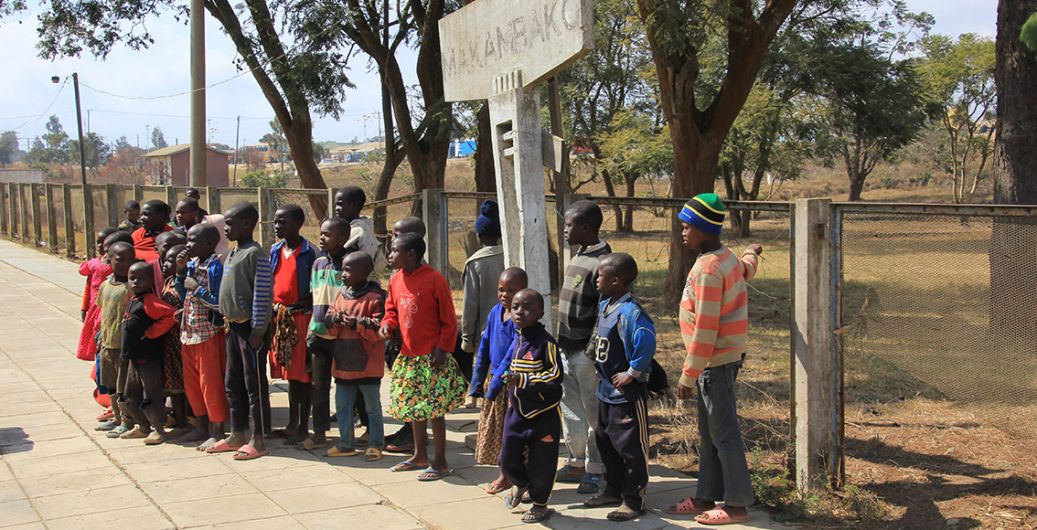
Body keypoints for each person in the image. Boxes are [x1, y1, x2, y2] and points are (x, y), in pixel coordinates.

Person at [665, 193, 762, 526]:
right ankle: (706, 494)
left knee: (723, 434)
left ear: (704, 229)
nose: (682, 232)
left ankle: (736, 505)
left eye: (687, 227)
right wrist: (752, 253)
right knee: (709, 434)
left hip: (713, 363)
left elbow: (706, 328)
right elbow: (747, 270)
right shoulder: (726, 258)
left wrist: (687, 376)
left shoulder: (708, 269)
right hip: (717, 362)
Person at [380, 232, 465, 481]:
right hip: (409, 356)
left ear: (411, 254)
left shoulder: (435, 279)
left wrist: (443, 348)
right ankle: (419, 455)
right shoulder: (395, 280)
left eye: (394, 250)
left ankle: (440, 462)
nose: (390, 255)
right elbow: (391, 309)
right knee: (415, 407)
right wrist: (387, 323)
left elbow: (449, 320)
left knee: (435, 410)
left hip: (432, 356)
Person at [583, 253, 656, 521]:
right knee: (606, 443)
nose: (596, 278)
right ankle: (612, 490)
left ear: (615, 280)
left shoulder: (632, 312)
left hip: (625, 394)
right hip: (604, 391)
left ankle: (634, 500)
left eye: (600, 275)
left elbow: (646, 342)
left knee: (630, 449)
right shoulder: (606, 304)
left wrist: (632, 373)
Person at [556, 200, 611, 493]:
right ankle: (576, 461)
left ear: (587, 228)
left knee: (593, 413)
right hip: (565, 349)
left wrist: (590, 351)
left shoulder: (603, 263)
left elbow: (604, 314)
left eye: (569, 225)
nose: (565, 230)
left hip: (586, 355)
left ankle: (595, 468)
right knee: (571, 409)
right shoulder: (577, 256)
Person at [499, 288, 563, 524]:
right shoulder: (518, 337)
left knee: (542, 462)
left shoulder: (546, 343)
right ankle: (520, 481)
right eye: (515, 307)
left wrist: (524, 380)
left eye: (527, 308)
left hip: (543, 413)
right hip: (517, 410)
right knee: (507, 456)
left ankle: (540, 503)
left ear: (540, 312)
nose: (519, 312)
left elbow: (555, 376)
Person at [216, 203, 273, 460]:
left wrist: (259, 329)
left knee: (254, 385)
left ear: (247, 225)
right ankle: (237, 432)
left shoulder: (255, 254)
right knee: (233, 382)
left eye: (230, 224)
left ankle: (257, 439)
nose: (225, 229)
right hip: (233, 327)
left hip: (251, 329)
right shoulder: (232, 253)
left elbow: (262, 294)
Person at [324, 252, 386, 461]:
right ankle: (345, 443)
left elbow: (379, 329)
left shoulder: (375, 298)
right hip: (343, 364)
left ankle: (376, 443)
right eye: (343, 269)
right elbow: (329, 317)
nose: (343, 274)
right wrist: (335, 319)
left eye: (348, 270)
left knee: (372, 408)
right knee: (342, 406)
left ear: (364, 273)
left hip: (367, 366)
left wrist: (355, 322)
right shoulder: (342, 294)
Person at [470, 267, 525, 494]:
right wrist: (476, 382)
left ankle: (508, 476)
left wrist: (496, 384)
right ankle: (505, 473)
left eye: (511, 290)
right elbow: (484, 348)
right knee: (497, 433)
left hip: (509, 384)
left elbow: (511, 355)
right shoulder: (495, 312)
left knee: (510, 434)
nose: (505, 294)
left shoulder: (519, 319)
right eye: (501, 289)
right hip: (493, 382)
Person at [175, 224, 229, 451]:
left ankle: (217, 431)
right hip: (189, 332)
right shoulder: (192, 264)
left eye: (193, 241)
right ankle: (201, 425)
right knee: (193, 383)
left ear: (208, 244)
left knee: (210, 383)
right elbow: (182, 294)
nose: (188, 245)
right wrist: (179, 273)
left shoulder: (215, 267)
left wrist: (197, 288)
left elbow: (219, 302)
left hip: (208, 333)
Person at [268, 205, 317, 445]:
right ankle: (291, 422)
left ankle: (302, 427)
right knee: (289, 374)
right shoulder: (275, 250)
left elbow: (315, 288)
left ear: (297, 223)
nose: (277, 226)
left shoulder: (310, 253)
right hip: (281, 319)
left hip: (301, 318)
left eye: (282, 222)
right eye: (275, 222)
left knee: (302, 376)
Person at [305, 217, 352, 451]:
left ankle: (349, 433)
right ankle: (320, 432)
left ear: (343, 239)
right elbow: (314, 296)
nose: (321, 238)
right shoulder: (318, 263)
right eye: (321, 233)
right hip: (318, 333)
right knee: (319, 385)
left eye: (327, 234)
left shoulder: (350, 264)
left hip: (343, 337)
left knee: (346, 385)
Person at [381, 216, 426, 453]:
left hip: (418, 348)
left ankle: (414, 438)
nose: (391, 240)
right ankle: (408, 430)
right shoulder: (397, 273)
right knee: (404, 391)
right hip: (398, 342)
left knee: (417, 394)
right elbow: (391, 306)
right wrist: (388, 323)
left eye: (397, 235)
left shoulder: (426, 275)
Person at [121, 260, 176, 445]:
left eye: (141, 278)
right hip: (134, 357)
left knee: (150, 393)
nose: (136, 282)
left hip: (147, 357)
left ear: (151, 280)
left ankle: (158, 429)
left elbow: (170, 314)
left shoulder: (150, 301)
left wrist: (153, 332)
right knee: (131, 393)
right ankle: (143, 426)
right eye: (132, 278)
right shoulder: (134, 299)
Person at [460, 200, 504, 407]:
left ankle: (478, 401)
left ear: (478, 237)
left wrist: (467, 337)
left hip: (485, 331)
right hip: (512, 326)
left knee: (483, 367)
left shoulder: (475, 262)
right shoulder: (512, 255)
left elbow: (470, 304)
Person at [94, 241, 136, 436]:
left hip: (123, 345)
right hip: (107, 343)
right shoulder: (105, 285)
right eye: (120, 259)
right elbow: (103, 311)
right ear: (109, 259)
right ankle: (116, 417)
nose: (126, 263)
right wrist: (100, 336)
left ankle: (127, 421)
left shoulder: (131, 287)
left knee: (123, 386)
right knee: (110, 383)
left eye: (130, 259)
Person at [160, 243, 189, 430]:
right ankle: (179, 419)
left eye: (171, 260)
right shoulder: (168, 281)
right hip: (169, 342)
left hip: (182, 341)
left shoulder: (186, 281)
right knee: (174, 384)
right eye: (164, 258)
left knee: (183, 383)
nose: (165, 263)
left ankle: (188, 419)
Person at [77, 227, 118, 361]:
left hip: (108, 308)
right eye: (98, 242)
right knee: (94, 338)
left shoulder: (117, 265)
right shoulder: (95, 263)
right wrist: (84, 309)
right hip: (94, 307)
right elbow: (84, 274)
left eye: (104, 243)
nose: (100, 246)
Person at [335, 186, 384, 270]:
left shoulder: (360, 230)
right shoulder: (347, 226)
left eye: (340, 204)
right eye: (336, 205)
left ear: (354, 205)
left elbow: (368, 255)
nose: (336, 208)